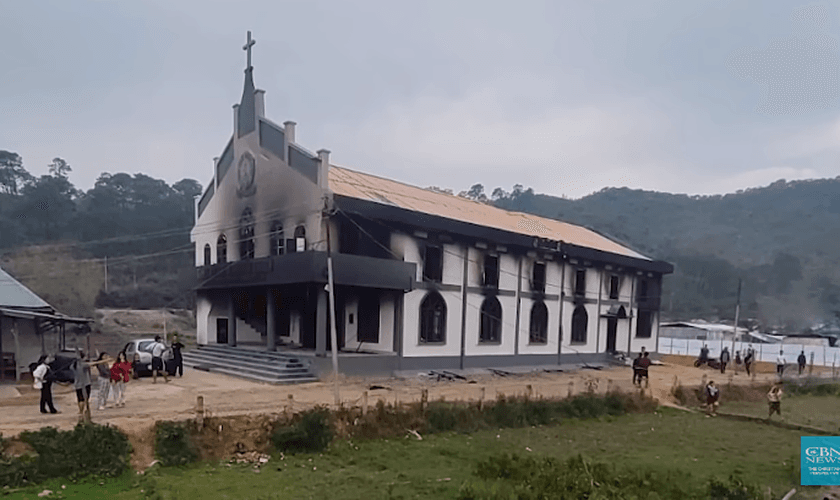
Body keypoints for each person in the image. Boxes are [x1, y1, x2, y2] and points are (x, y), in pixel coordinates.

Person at [71, 350, 93, 423]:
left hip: (77, 384)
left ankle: (80, 411)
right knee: (85, 399)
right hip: (85, 384)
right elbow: (93, 364)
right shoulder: (83, 364)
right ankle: (84, 411)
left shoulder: (73, 365)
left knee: (79, 398)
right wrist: (105, 360)